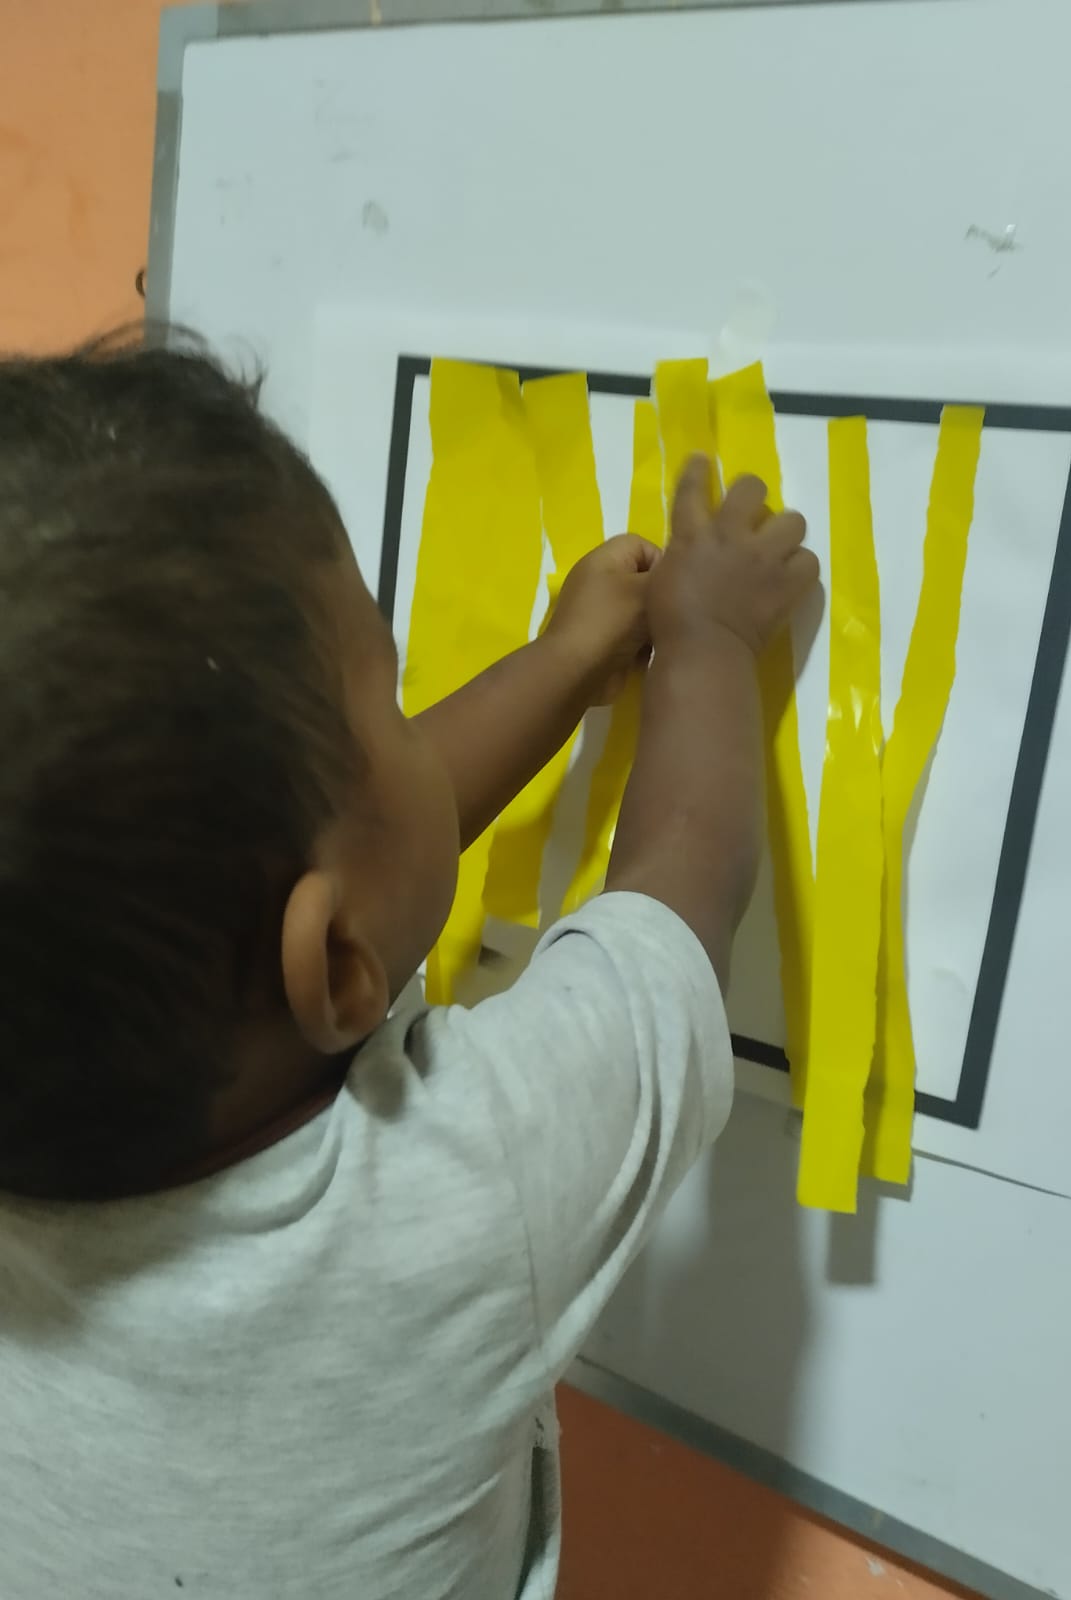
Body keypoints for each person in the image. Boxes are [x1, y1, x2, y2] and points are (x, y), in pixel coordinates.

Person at [0, 333, 819, 1599]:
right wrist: (707, 639)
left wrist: (561, 665)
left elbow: (342, 871)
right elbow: (679, 889)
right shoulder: (457, 1197)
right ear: (333, 963)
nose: (407, 729)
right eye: (385, 698)